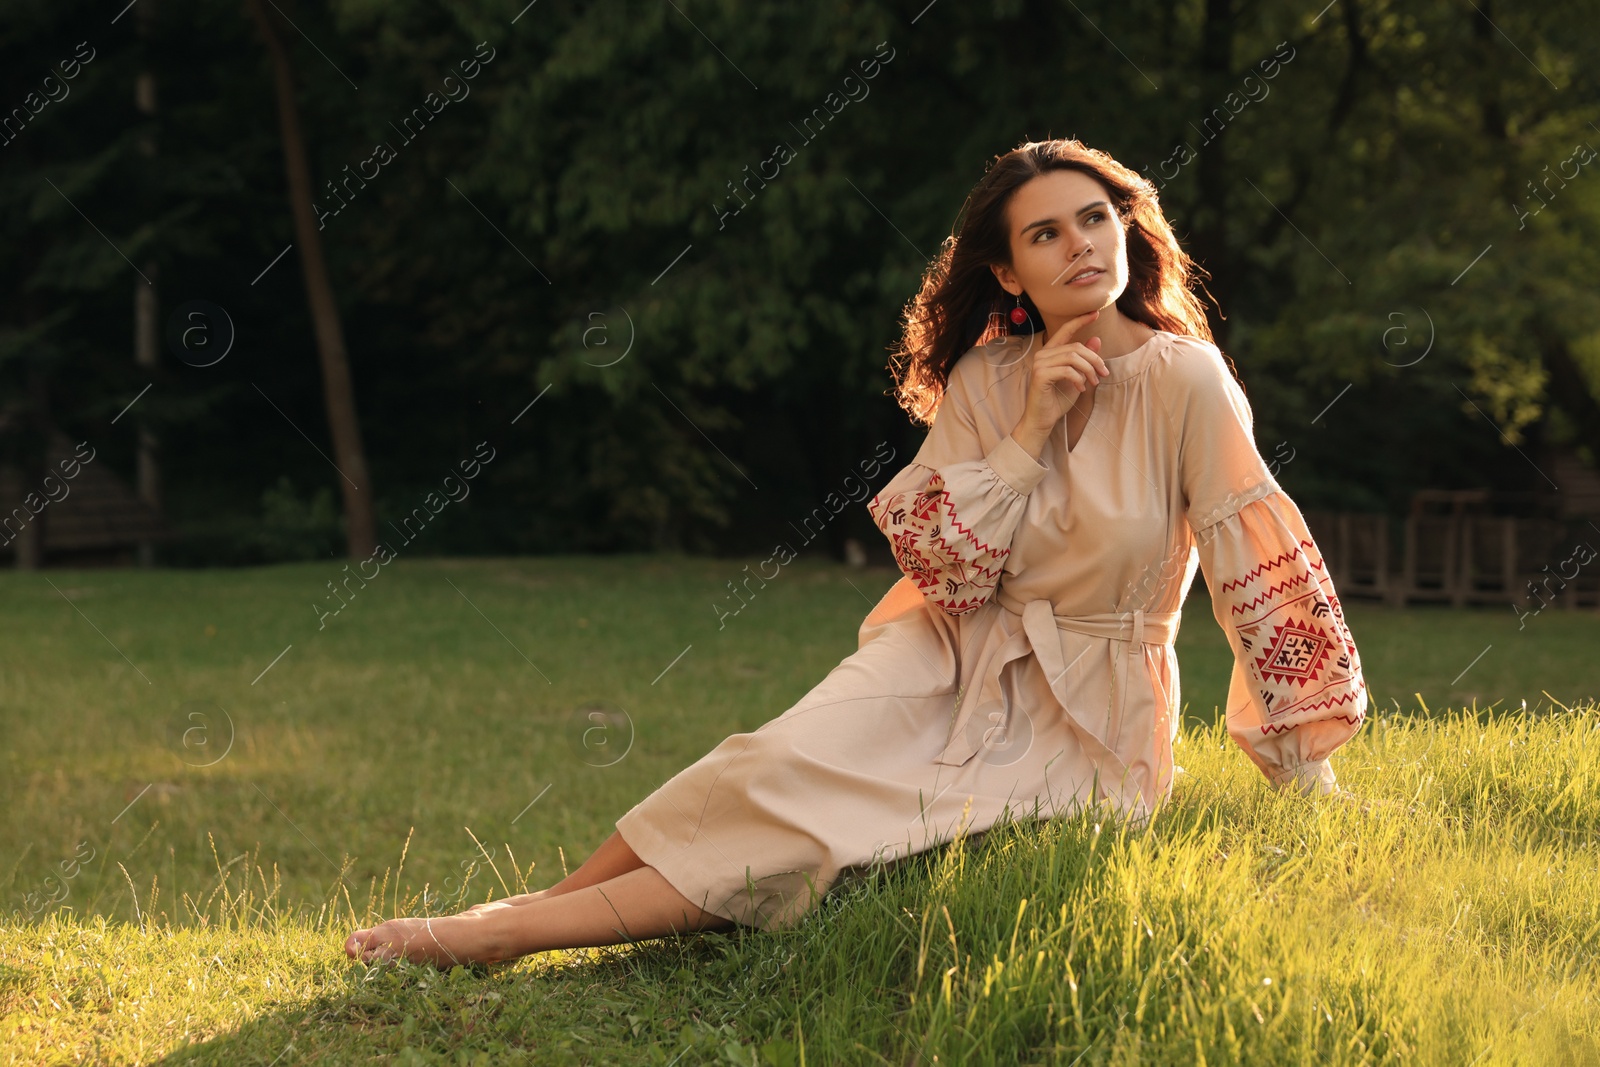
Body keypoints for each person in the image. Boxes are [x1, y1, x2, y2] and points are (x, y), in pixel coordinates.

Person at [344, 138, 1368, 967]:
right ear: (1008, 270)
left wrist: (1301, 763)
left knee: (823, 837)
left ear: (1130, 232)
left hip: (1090, 708)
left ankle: (512, 932)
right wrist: (1029, 426)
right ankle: (528, 911)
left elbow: (1250, 558)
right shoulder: (986, 377)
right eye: (1046, 233)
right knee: (768, 762)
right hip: (946, 645)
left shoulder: (1187, 380)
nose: (1080, 246)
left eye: (1095, 218)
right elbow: (945, 565)